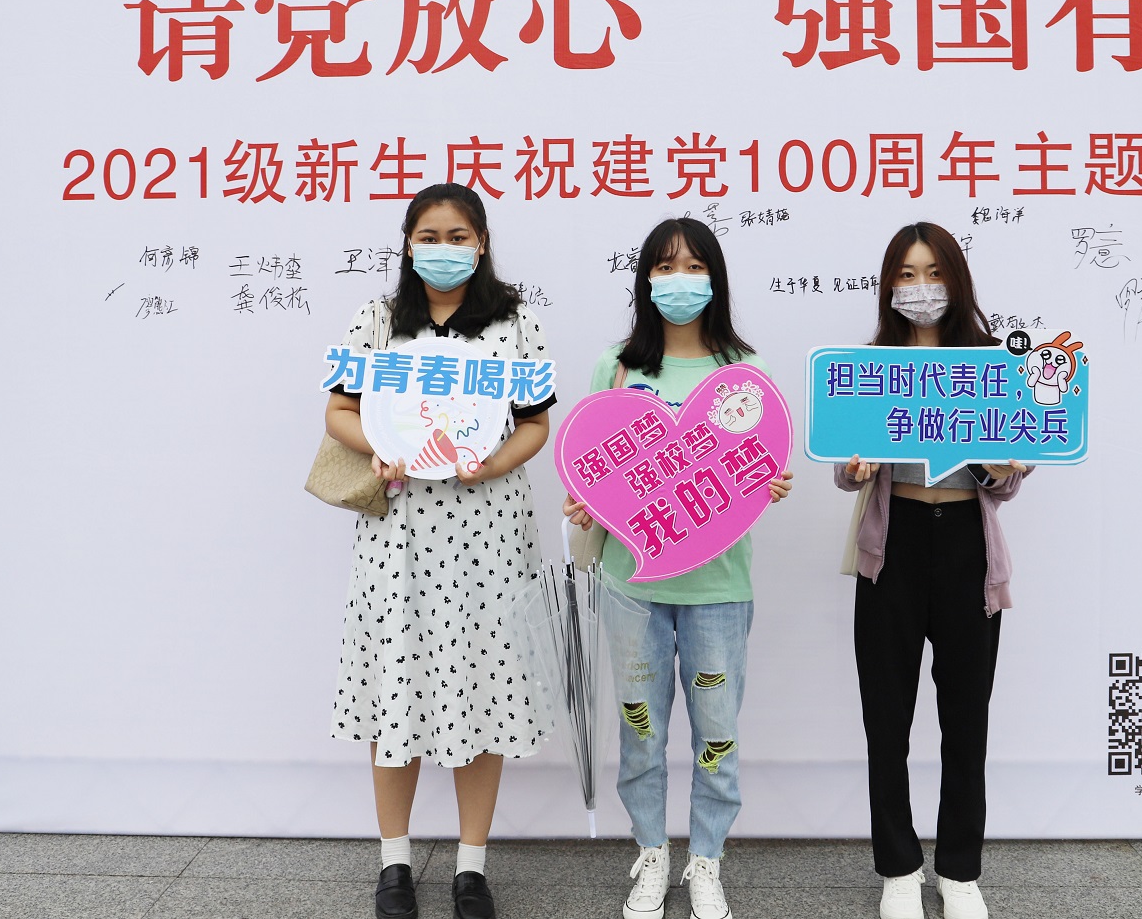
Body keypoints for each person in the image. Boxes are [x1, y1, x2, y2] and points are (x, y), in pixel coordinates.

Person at [324, 183, 557, 919]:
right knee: (396, 685)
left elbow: (535, 424)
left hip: (488, 531)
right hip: (398, 532)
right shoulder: (378, 319)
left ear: (482, 244)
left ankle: (471, 867)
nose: (444, 249)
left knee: (481, 685)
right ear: (407, 243)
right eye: (429, 235)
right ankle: (394, 861)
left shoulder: (516, 323)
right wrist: (379, 446)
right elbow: (338, 411)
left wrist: (493, 461)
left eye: (459, 236)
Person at [565, 217, 792, 919]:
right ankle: (652, 851)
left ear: (715, 279)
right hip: (632, 584)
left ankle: (707, 859)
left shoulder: (743, 371)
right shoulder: (617, 365)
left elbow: (757, 460)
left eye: (694, 266)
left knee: (716, 733)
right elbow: (595, 465)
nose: (679, 280)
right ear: (645, 280)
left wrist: (768, 482)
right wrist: (585, 504)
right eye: (665, 267)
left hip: (718, 585)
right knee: (643, 731)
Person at [835, 222, 1030, 919]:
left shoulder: (993, 363)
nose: (922, 288)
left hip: (967, 549)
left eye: (934, 273)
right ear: (890, 285)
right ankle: (897, 868)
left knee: (966, 717)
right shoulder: (870, 364)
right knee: (886, 718)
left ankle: (959, 871)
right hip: (894, 547)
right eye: (908, 275)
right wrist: (856, 466)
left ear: (957, 279)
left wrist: (995, 460)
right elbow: (842, 466)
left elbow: (1012, 476)